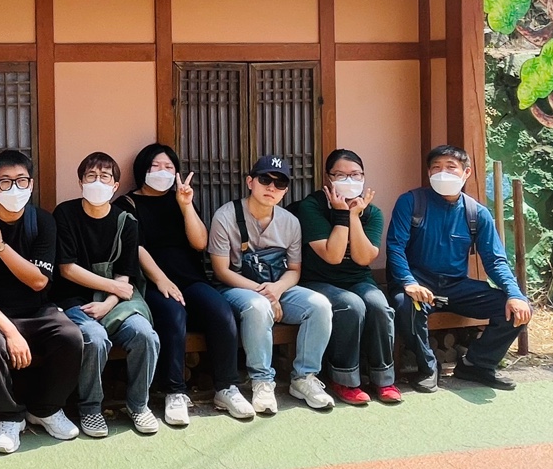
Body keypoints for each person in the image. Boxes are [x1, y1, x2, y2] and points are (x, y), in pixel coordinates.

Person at [0, 149, 82, 453]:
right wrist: (10, 331)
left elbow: (39, 280)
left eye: (21, 180)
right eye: (5, 181)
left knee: (70, 337)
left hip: (37, 309)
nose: (14, 188)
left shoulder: (42, 221)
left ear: (31, 184)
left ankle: (45, 410)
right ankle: (10, 416)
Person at [387, 144, 533, 392]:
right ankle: (428, 368)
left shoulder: (477, 213)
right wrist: (409, 282)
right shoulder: (411, 202)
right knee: (405, 306)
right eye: (436, 168)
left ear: (467, 173)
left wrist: (514, 294)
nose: (442, 173)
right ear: (428, 173)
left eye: (450, 167)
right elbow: (395, 247)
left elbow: (495, 260)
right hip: (418, 285)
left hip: (456, 286)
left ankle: (477, 365)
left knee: (517, 309)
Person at [120, 143, 244, 427]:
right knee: (173, 314)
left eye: (168, 167)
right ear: (141, 170)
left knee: (220, 311)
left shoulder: (180, 199)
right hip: (152, 282)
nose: (162, 172)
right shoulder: (126, 204)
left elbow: (200, 242)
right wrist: (161, 279)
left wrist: (186, 206)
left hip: (190, 278)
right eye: (155, 166)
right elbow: (135, 247)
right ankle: (174, 392)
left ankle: (227, 387)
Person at [208, 155, 334, 414]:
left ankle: (304, 378)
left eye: (280, 183)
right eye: (265, 179)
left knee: (320, 305)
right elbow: (221, 270)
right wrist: (265, 294)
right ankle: (262, 381)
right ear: (250, 182)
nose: (271, 187)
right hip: (236, 288)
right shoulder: (226, 215)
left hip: (277, 288)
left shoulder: (290, 222)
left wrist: (276, 290)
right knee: (258, 306)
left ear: (285, 191)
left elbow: (294, 270)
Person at [53, 153, 161, 437]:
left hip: (117, 301)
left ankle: (138, 405)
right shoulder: (65, 214)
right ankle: (90, 408)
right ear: (81, 182)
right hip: (74, 299)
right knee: (95, 337)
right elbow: (67, 269)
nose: (97, 182)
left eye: (104, 177)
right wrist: (113, 288)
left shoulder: (126, 221)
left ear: (114, 186)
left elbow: (125, 275)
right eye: (91, 176)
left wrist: (110, 302)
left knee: (145, 335)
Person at [296, 149, 399, 406]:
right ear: (328, 178)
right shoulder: (312, 207)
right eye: (340, 175)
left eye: (355, 175)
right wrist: (341, 214)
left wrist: (353, 216)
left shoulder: (371, 212)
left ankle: (383, 379)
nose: (349, 180)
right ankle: (344, 378)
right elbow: (332, 255)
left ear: (364, 177)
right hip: (318, 281)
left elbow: (364, 258)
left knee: (379, 305)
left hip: (358, 279)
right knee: (351, 305)